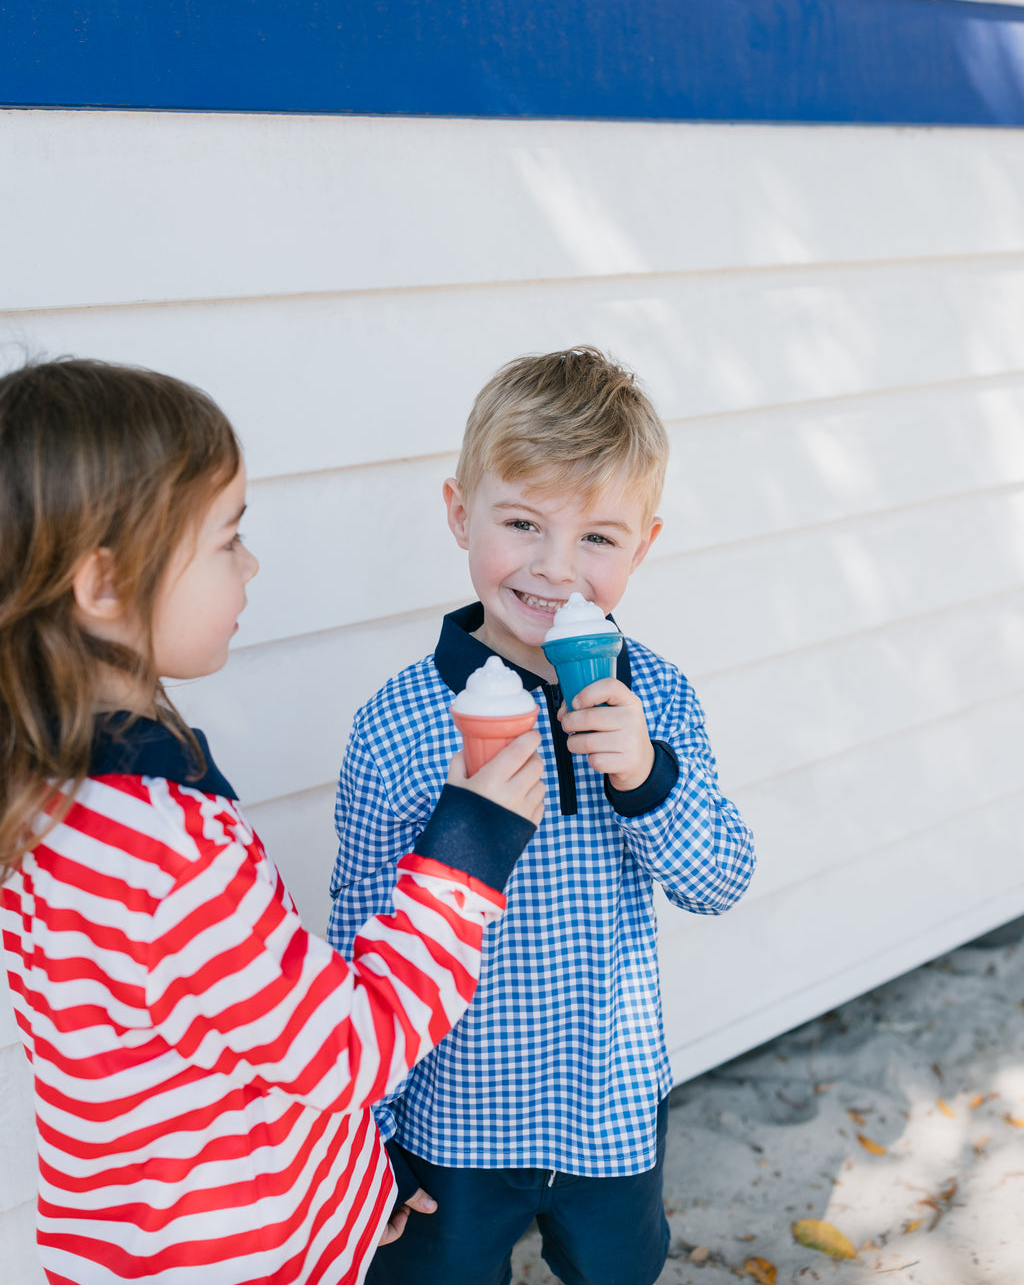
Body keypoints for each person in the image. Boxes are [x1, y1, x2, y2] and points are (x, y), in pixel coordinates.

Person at [0, 357, 544, 1285]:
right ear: (102, 585)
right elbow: (349, 1046)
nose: (251, 564)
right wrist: (469, 851)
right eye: (226, 539)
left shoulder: (43, 798)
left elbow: (229, 1049)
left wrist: (351, 1188)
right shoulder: (166, 844)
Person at [328, 345, 756, 1285]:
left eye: (598, 539)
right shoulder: (400, 723)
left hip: (607, 1108)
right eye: (523, 523)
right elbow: (355, 941)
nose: (557, 570)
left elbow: (721, 878)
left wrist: (647, 776)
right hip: (453, 1116)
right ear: (458, 514)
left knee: (620, 1270)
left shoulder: (662, 699)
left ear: (643, 546)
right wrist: (371, 1139)